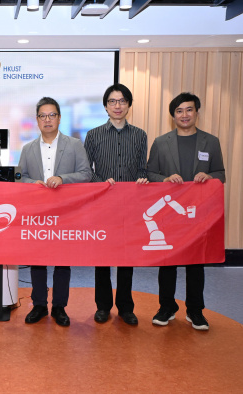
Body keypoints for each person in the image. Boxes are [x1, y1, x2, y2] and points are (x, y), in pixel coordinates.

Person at [147, 92, 225, 331]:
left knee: (196, 263)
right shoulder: (161, 142)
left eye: (189, 110)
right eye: (179, 111)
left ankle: (195, 311)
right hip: (171, 214)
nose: (184, 115)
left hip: (198, 214)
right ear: (173, 116)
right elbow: (150, 174)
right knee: (167, 262)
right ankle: (166, 307)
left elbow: (221, 174)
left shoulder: (210, 142)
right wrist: (166, 178)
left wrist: (209, 176)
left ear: (196, 113)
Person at [19, 97, 92, 327]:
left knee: (62, 261)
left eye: (52, 115)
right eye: (43, 116)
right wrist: (34, 183)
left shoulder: (74, 145)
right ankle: (39, 305)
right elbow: (20, 178)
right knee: (36, 260)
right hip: (38, 214)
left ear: (59, 118)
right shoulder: (28, 148)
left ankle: (59, 307)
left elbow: (86, 174)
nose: (47, 120)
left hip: (65, 213)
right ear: (37, 120)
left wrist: (62, 179)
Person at [84, 83, 148, 326]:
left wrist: (143, 179)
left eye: (122, 101)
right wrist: (102, 182)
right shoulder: (94, 135)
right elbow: (85, 171)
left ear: (129, 105)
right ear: (105, 106)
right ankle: (102, 307)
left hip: (130, 206)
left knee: (126, 258)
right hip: (102, 205)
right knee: (102, 259)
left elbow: (143, 168)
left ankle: (125, 307)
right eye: (112, 101)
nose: (117, 105)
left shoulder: (140, 135)